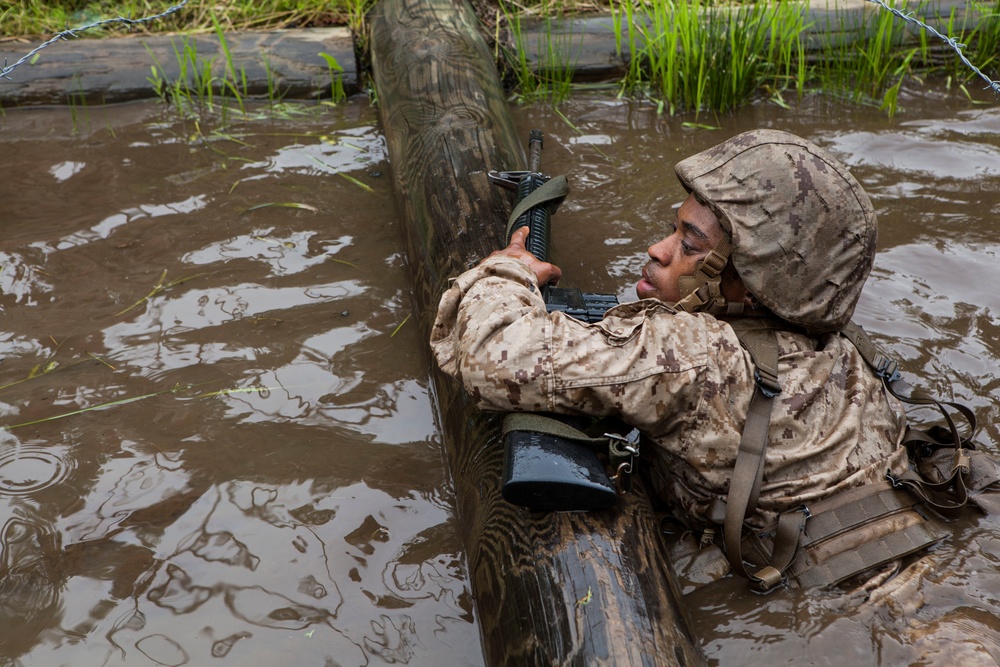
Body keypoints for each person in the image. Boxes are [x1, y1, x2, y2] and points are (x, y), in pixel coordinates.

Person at [429, 129, 919, 587]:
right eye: (673, 230)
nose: (657, 250)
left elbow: (490, 352)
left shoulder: (693, 356)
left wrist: (508, 270)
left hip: (830, 599)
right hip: (910, 556)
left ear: (750, 284)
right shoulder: (846, 343)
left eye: (689, 246)